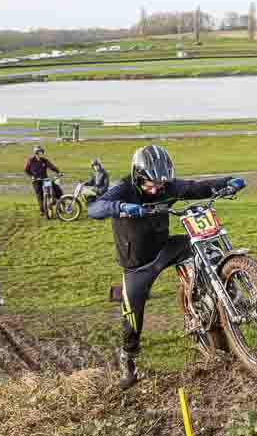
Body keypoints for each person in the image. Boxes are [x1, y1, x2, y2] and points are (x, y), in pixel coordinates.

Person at [88, 145, 244, 389]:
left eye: (162, 184)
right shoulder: (124, 189)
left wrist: (228, 181)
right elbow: (94, 208)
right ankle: (128, 362)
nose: (159, 189)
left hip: (165, 247)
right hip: (138, 265)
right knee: (132, 316)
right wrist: (120, 208)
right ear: (138, 177)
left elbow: (195, 187)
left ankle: (212, 300)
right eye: (152, 184)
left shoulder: (167, 186)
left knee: (205, 247)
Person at [24, 146, 62, 214]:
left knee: (56, 187)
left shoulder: (44, 160)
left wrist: (58, 172)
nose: (41, 154)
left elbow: (51, 166)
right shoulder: (31, 160)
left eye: (42, 152)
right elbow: (26, 170)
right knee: (39, 194)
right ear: (36, 153)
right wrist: (32, 176)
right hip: (36, 180)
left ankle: (61, 202)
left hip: (45, 179)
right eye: (40, 152)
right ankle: (42, 210)